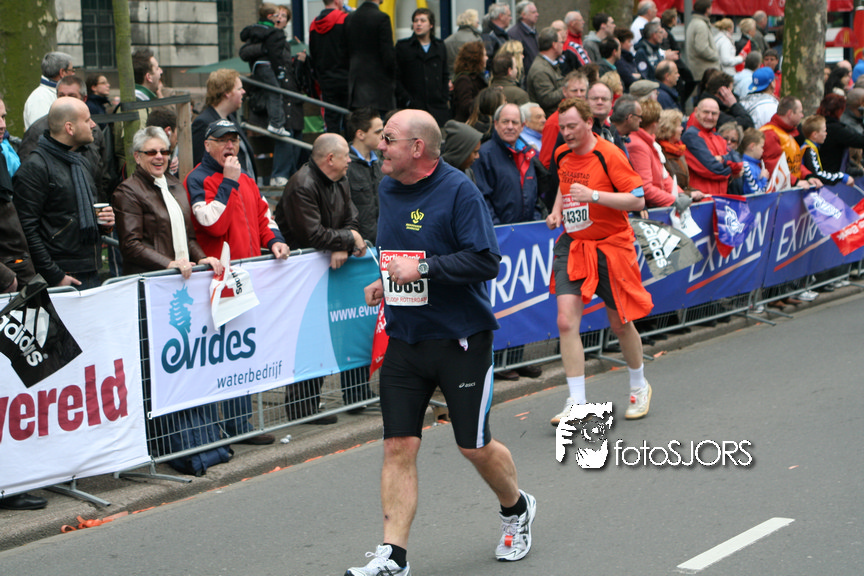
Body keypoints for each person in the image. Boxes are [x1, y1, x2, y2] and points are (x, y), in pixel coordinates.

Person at [347, 108, 536, 575]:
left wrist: (423, 268)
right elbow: (400, 255)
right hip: (406, 339)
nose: (380, 146)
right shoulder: (389, 187)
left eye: (389, 138)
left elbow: (486, 260)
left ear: (417, 148)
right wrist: (385, 282)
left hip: (460, 340)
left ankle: (517, 508)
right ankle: (393, 556)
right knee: (398, 446)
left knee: (473, 445)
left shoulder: (459, 191)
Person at [546, 97, 653, 427]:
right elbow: (565, 186)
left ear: (589, 123)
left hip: (612, 246)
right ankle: (576, 401)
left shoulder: (610, 154)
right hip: (574, 245)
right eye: (562, 127)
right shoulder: (561, 154)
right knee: (566, 321)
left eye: (572, 126)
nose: (566, 133)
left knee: (620, 323)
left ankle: (639, 385)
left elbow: (637, 199)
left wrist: (594, 196)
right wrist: (557, 210)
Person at [185, 120, 289, 442]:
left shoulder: (246, 178)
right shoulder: (198, 178)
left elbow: (263, 217)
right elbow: (212, 224)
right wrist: (228, 182)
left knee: (241, 351)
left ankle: (238, 424)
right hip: (218, 279)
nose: (230, 146)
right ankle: (231, 426)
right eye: (223, 140)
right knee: (224, 354)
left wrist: (274, 241)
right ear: (207, 145)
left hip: (248, 275)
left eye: (234, 140)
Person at [275, 133, 370, 422]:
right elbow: (312, 234)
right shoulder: (302, 185)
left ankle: (341, 398)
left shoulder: (340, 179)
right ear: (330, 159)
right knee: (308, 338)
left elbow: (353, 219)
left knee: (337, 332)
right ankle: (302, 409)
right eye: (345, 156)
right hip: (302, 277)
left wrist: (342, 243)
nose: (350, 160)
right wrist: (347, 239)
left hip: (330, 268)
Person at [13, 98, 114, 289]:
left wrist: (104, 225)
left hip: (89, 269)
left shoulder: (80, 161)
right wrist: (55, 275)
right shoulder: (35, 167)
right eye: (87, 120)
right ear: (70, 128)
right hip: (61, 276)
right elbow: (26, 229)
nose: (93, 125)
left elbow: (76, 216)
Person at [0, 106, 44, 511]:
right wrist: (6, 278)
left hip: (18, 282)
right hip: (7, 287)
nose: (2, 123)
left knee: (22, 386)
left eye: (3, 116)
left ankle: (18, 477)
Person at [112, 126, 222, 277]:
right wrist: (169, 264)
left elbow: (188, 237)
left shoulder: (176, 185)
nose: (159, 157)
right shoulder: (127, 191)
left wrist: (201, 258)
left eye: (164, 152)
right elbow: (130, 245)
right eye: (152, 152)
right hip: (151, 279)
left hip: (180, 276)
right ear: (137, 157)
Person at [627, 99, 706, 208]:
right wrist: (674, 200)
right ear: (655, 123)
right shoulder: (638, 145)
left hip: (660, 203)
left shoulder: (650, 143)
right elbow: (645, 187)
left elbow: (664, 177)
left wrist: (680, 195)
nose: (682, 128)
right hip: (652, 208)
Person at [191, 69, 257, 181]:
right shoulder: (203, 123)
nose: (243, 91)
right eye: (239, 89)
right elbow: (200, 165)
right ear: (226, 92)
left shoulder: (231, 118)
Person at [395, 8, 450, 127]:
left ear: (431, 25)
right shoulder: (403, 47)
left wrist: (444, 96)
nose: (418, 24)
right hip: (413, 107)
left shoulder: (439, 46)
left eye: (423, 20)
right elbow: (395, 77)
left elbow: (445, 74)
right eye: (416, 21)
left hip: (437, 107)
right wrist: (406, 100)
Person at [345, 0, 396, 115]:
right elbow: (388, 55)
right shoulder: (382, 18)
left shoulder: (350, 18)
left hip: (356, 90)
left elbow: (345, 52)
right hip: (379, 90)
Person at [681, 98, 742, 196]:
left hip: (720, 199)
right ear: (696, 111)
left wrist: (722, 159)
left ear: (718, 115)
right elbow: (712, 170)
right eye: (706, 112)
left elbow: (738, 161)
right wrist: (731, 169)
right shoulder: (691, 136)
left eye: (714, 113)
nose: (710, 117)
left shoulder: (718, 137)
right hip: (702, 200)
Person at [760, 96, 821, 189]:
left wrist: (808, 176)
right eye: (800, 112)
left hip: (789, 187)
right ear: (790, 113)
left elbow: (794, 163)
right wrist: (795, 182)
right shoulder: (770, 133)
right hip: (779, 191)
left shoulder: (786, 132)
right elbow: (772, 167)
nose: (802, 115)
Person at [308, 0, 349, 134]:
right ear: (337, 1)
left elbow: (313, 53)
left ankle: (332, 146)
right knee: (350, 120)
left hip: (326, 80)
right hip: (346, 79)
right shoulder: (345, 19)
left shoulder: (314, 24)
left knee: (331, 120)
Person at [346, 108, 384, 244]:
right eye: (378, 132)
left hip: (381, 241)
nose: (383, 136)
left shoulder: (381, 165)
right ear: (360, 134)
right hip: (357, 245)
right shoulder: (344, 167)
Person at [23, 51, 75, 130]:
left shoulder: (49, 94)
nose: (73, 74)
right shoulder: (40, 98)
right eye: (72, 70)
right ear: (62, 72)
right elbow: (41, 131)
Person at [800, 114, 855, 187]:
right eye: (824, 131)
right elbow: (818, 175)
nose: (826, 133)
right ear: (815, 134)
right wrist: (842, 177)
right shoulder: (809, 150)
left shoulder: (812, 148)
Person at [526, 27, 565, 117]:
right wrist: (567, 89)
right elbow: (546, 99)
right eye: (561, 42)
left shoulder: (549, 64)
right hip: (546, 118)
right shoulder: (541, 69)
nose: (563, 45)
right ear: (554, 45)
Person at [451, 41, 488, 122]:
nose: (487, 58)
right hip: (467, 123)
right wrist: (487, 99)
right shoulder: (464, 80)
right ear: (476, 58)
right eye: (484, 55)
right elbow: (466, 106)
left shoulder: (476, 78)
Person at [656, 108, 692, 192]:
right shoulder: (659, 151)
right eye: (679, 126)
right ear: (669, 128)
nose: (682, 129)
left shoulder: (679, 150)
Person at [685, 0, 720, 83]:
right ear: (707, 9)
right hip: (705, 72)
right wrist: (715, 56)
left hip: (701, 71)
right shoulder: (701, 25)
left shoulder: (694, 23)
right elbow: (702, 48)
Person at [445, 9, 482, 76]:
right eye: (477, 23)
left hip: (452, 78)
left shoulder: (448, 41)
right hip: (471, 78)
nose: (478, 25)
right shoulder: (476, 40)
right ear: (473, 23)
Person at [507, 1, 540, 77]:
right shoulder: (514, 34)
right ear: (523, 15)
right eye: (533, 12)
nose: (537, 14)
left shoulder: (534, 32)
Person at [737, 128, 769, 195]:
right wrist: (764, 179)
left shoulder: (754, 165)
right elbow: (756, 193)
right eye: (761, 147)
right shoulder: (747, 166)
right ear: (752, 146)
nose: (763, 150)